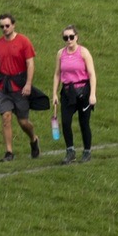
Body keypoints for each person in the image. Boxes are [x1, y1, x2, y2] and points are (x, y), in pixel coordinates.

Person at [0, 13, 41, 161]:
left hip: (20, 85)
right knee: (6, 117)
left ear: (13, 25)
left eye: (7, 25)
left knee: (23, 122)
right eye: (2, 26)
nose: (4, 28)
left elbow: (30, 63)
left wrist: (28, 84)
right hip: (3, 86)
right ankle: (9, 152)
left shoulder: (24, 41)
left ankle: (34, 139)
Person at [50, 26, 98, 163]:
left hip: (83, 91)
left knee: (84, 123)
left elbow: (92, 74)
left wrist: (92, 94)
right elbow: (57, 74)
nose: (69, 40)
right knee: (65, 122)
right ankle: (70, 151)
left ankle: (87, 152)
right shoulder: (61, 54)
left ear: (76, 37)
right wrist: (54, 94)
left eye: (71, 37)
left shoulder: (83, 52)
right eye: (66, 38)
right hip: (67, 92)